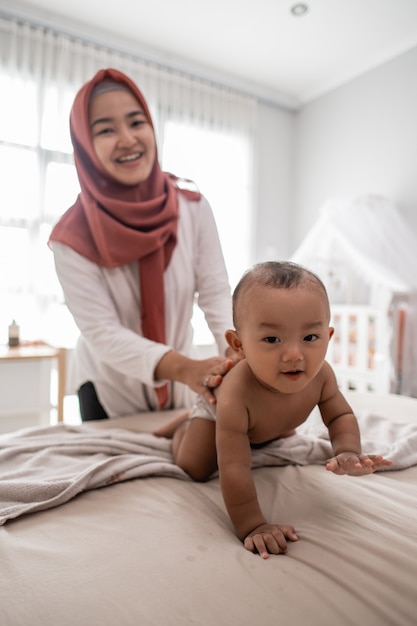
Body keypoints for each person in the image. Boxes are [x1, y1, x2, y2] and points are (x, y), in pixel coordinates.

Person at [160, 260, 392, 558]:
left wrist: (347, 451)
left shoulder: (322, 376)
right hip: (218, 413)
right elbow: (234, 466)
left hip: (264, 424)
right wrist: (252, 525)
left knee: (274, 432)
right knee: (195, 466)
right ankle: (183, 428)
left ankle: (261, 428)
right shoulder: (236, 392)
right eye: (272, 339)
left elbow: (340, 415)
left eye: (310, 338)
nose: (294, 355)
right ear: (239, 344)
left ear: (328, 337)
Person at [49, 68, 237, 421]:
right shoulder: (71, 237)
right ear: (85, 147)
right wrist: (186, 368)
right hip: (108, 388)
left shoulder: (193, 208)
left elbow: (215, 293)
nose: (127, 138)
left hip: (184, 384)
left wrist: (235, 351)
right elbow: (103, 332)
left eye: (136, 122)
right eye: (106, 129)